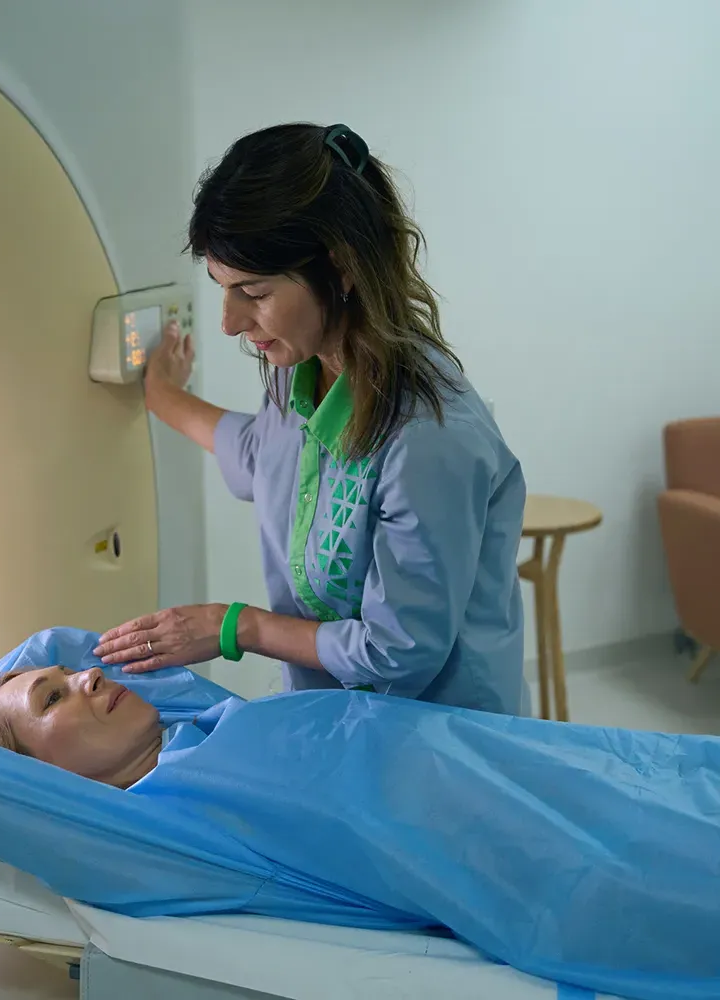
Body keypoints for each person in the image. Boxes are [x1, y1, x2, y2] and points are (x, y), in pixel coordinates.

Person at [0, 631, 720, 1000]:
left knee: (679, 777)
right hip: (530, 855)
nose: (83, 674)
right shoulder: (150, 834)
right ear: (35, 787)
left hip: (538, 769)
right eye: (52, 699)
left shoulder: (192, 716)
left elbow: (57, 641)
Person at [92, 123, 526, 715]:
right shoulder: (305, 372)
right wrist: (160, 393)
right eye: (223, 288)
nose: (229, 322)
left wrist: (234, 627)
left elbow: (396, 654)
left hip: (438, 743)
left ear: (342, 267)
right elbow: (260, 457)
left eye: (254, 291)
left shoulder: (430, 439)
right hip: (337, 725)